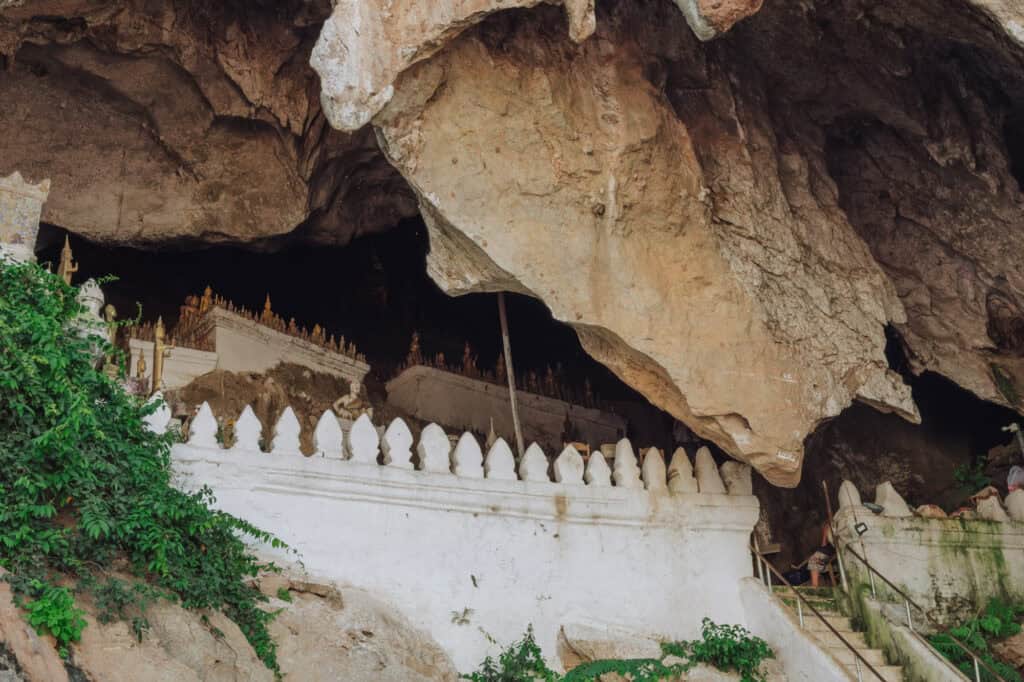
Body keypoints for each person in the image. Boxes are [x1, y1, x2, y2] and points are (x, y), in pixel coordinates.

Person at [807, 521, 836, 587]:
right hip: (828, 555)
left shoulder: (834, 533)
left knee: (814, 560)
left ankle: (814, 585)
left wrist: (825, 534)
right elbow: (823, 545)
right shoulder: (829, 539)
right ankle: (815, 585)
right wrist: (825, 534)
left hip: (833, 556)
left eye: (826, 527)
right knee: (814, 559)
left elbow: (824, 545)